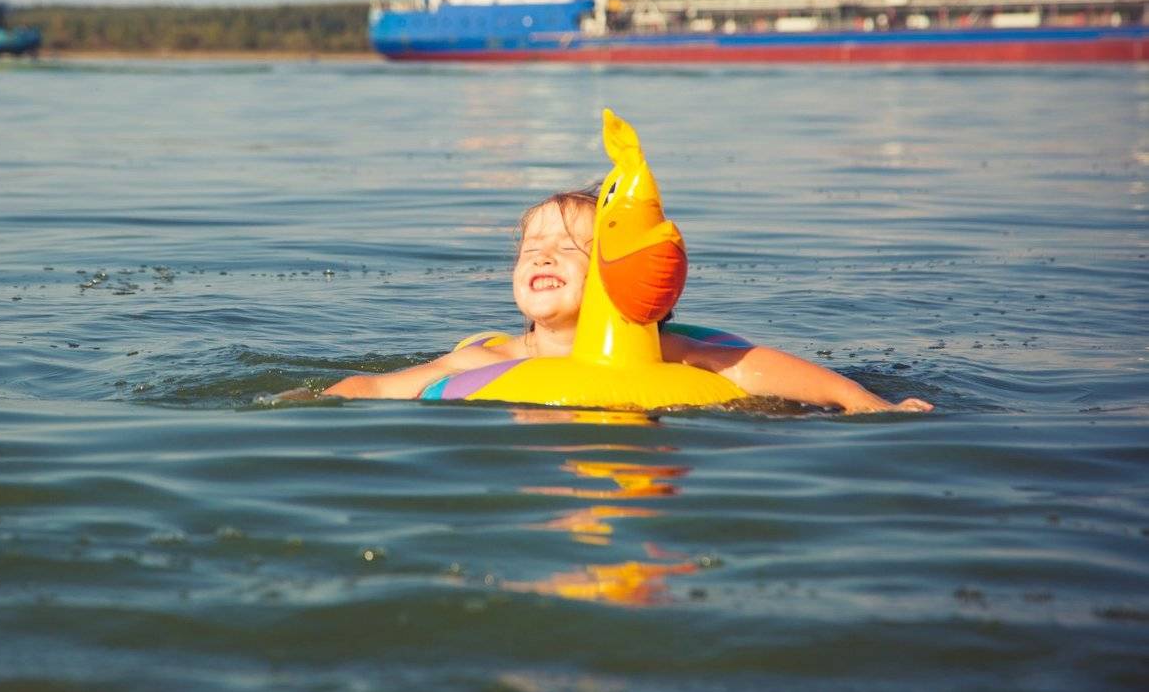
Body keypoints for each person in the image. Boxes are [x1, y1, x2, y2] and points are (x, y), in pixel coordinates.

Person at [326, 188, 933, 414]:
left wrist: (863, 401)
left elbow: (752, 366)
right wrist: (319, 401)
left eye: (569, 249)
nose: (542, 257)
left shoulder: (668, 351)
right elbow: (381, 386)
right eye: (531, 248)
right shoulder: (486, 359)